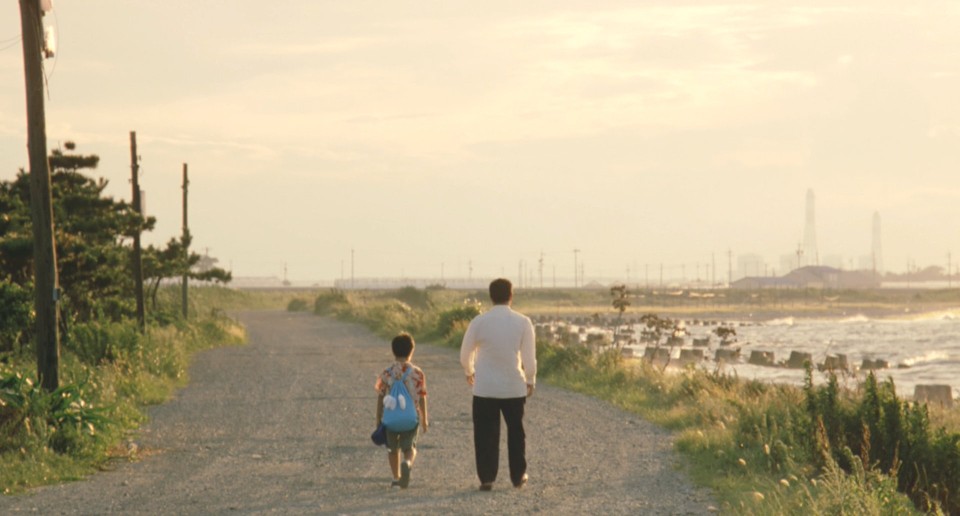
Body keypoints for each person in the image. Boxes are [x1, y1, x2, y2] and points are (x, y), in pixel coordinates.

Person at [460, 278, 537, 491]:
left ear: (491, 296)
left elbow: (465, 353)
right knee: (516, 432)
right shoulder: (523, 322)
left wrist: (469, 371)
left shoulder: (479, 322)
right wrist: (530, 378)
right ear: (511, 295)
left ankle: (486, 478)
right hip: (513, 386)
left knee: (485, 433)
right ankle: (518, 476)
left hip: (484, 387)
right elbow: (529, 358)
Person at [375, 333, 429, 489]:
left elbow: (380, 396)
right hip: (411, 418)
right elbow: (422, 396)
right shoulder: (418, 373)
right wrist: (424, 419)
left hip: (390, 419)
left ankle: (395, 478)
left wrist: (378, 418)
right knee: (409, 447)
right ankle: (407, 462)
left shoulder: (386, 373)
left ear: (393, 351)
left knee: (392, 449)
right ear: (411, 351)